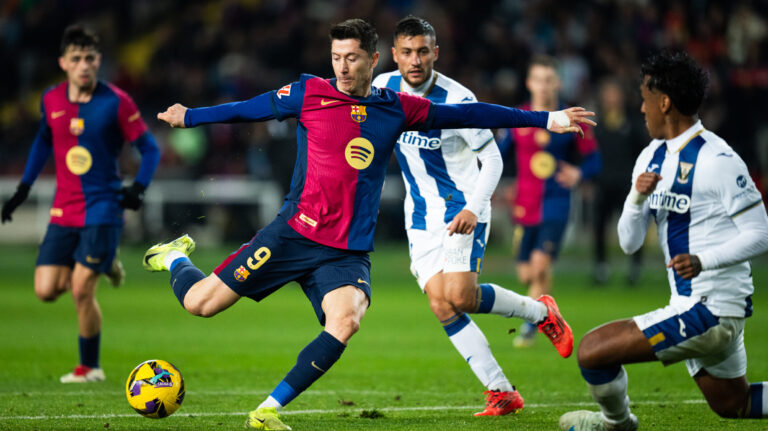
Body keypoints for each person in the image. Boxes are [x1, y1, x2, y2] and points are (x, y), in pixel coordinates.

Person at [149, 18, 594, 430]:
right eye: (336, 58)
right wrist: (192, 116)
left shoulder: (396, 108)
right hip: (292, 235)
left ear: (372, 60)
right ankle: (173, 258)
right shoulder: (310, 93)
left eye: (353, 58)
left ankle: (267, 411)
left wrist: (547, 119)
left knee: (345, 321)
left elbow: (473, 115)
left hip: (346, 250)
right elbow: (251, 109)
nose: (342, 68)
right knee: (199, 304)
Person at [372, 16, 573, 417]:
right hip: (421, 216)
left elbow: (494, 160)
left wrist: (472, 207)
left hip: (465, 207)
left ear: (436, 53)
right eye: (407, 52)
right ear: (394, 55)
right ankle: (501, 391)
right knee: (441, 304)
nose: (415, 60)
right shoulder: (382, 89)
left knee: (461, 296)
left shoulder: (458, 99)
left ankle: (542, 312)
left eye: (423, 51)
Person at [559, 51, 768, 431]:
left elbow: (760, 233)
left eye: (644, 97)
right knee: (734, 404)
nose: (641, 108)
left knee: (592, 352)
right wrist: (637, 199)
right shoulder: (651, 156)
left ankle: (616, 424)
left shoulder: (718, 159)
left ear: (665, 102)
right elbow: (628, 243)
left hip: (712, 308)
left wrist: (706, 260)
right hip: (692, 304)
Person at [0, 25, 161, 383]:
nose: (84, 65)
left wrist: (138, 188)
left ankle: (90, 368)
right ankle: (107, 261)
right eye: (76, 59)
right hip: (64, 209)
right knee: (45, 291)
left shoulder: (117, 102)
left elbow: (150, 148)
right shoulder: (51, 99)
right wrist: (23, 190)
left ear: (99, 60)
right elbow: (43, 141)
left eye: (90, 58)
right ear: (63, 63)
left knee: (80, 289)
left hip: (104, 206)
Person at [497, 55, 601, 348]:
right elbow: (497, 153)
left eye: (549, 79)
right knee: (527, 273)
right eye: (538, 79)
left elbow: (594, 158)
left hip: (556, 201)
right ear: (529, 83)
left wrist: (579, 172)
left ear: (558, 82)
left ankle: (532, 325)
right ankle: (547, 310)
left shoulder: (571, 115)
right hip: (524, 203)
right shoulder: (516, 117)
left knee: (540, 267)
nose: (543, 86)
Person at [592, 78, 646, 285]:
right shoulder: (596, 125)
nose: (611, 98)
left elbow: (642, 152)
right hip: (603, 183)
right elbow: (589, 154)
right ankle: (601, 269)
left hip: (627, 184)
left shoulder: (632, 124)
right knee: (600, 227)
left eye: (614, 94)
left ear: (621, 97)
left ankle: (634, 268)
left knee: (633, 226)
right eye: (607, 94)